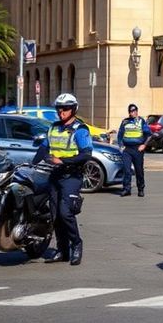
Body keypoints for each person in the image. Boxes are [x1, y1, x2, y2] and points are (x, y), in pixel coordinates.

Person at [31, 92, 92, 265]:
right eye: (59, 109)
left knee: (66, 213)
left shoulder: (80, 130)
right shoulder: (53, 127)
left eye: (65, 109)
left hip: (72, 176)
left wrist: (63, 161)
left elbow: (86, 155)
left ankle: (77, 245)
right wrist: (32, 164)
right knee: (55, 214)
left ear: (73, 109)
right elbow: (44, 149)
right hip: (55, 175)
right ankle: (62, 250)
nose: (61, 112)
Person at [117, 103, 152, 197]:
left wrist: (144, 145)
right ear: (129, 112)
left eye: (135, 110)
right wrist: (121, 146)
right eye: (132, 111)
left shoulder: (141, 121)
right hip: (127, 149)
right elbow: (120, 135)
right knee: (126, 169)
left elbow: (149, 135)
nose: (134, 112)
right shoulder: (125, 122)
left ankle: (141, 189)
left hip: (138, 149)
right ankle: (126, 189)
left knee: (139, 170)